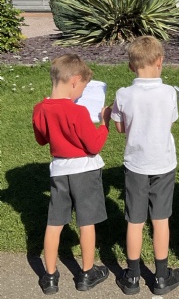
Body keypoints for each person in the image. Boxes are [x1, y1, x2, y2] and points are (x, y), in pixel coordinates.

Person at [111, 36, 179, 296]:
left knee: (135, 220)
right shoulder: (169, 92)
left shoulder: (123, 94)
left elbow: (120, 128)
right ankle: (162, 277)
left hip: (136, 165)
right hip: (163, 163)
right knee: (160, 220)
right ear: (160, 61)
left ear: (131, 66)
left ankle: (132, 276)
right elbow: (170, 122)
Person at [33, 54, 111, 295]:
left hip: (59, 171)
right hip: (85, 171)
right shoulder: (78, 112)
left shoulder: (40, 109)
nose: (81, 95)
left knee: (54, 223)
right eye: (83, 89)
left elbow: (41, 139)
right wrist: (104, 124)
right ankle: (87, 273)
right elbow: (94, 145)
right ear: (75, 81)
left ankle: (50, 276)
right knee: (86, 222)